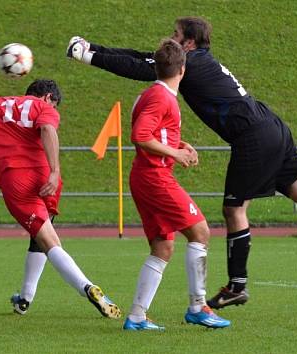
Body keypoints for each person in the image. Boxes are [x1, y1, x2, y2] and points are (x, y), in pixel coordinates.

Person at [66, 16, 297, 309]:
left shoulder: (187, 62)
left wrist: (87, 56)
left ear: (189, 43)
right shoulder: (198, 59)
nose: (171, 40)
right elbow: (142, 56)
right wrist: (93, 47)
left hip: (252, 137)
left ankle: (237, 286)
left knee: (234, 209)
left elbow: (138, 67)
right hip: (271, 126)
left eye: (176, 36)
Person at [0, 79, 121, 319]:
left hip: (18, 180)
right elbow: (47, 128)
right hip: (46, 179)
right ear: (48, 97)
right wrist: (54, 172)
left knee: (48, 241)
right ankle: (25, 299)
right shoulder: (44, 108)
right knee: (41, 238)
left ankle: (87, 287)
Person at [121, 39, 229, 331]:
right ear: (183, 69)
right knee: (201, 232)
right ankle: (198, 307)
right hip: (154, 177)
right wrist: (175, 153)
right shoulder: (162, 98)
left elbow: (153, 132)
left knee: (163, 246)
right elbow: (141, 136)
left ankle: (136, 316)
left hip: (145, 176)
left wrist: (179, 144)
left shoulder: (153, 93)